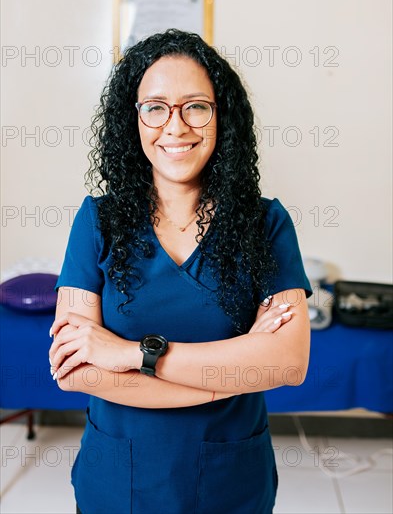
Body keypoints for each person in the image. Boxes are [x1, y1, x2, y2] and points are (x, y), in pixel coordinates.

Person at [49, 28, 312, 514]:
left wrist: (128, 354)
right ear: (134, 121)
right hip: (120, 479)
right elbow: (74, 370)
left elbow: (288, 363)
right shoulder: (98, 222)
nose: (175, 126)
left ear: (221, 117)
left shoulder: (265, 223)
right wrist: (230, 376)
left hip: (230, 479)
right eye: (155, 107)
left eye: (196, 106)